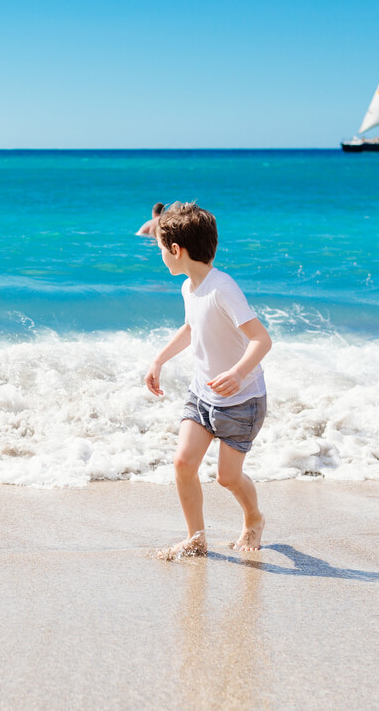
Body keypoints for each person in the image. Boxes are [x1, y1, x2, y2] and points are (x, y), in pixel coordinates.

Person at [144, 202, 272, 559]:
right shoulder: (189, 287)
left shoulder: (222, 288)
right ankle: (196, 538)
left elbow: (262, 339)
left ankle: (254, 517)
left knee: (228, 478)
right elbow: (191, 327)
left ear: (176, 250)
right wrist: (159, 359)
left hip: (241, 401)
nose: (162, 259)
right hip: (202, 396)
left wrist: (237, 373)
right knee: (183, 463)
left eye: (161, 252)